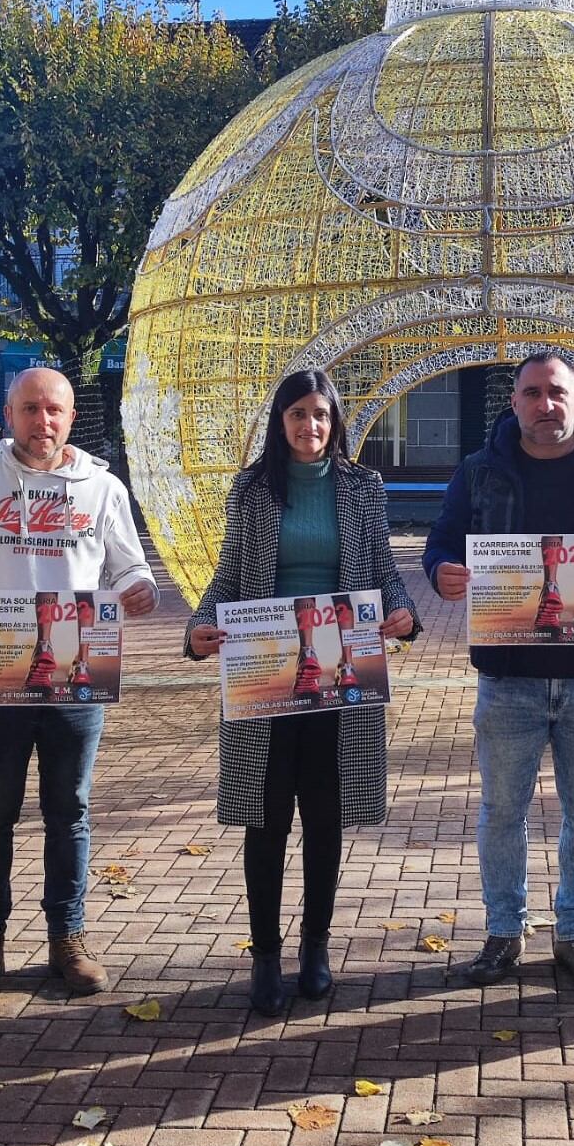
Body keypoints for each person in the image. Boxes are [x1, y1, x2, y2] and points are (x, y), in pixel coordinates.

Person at [0, 367, 159, 1004]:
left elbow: (131, 566)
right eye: (30, 410)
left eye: (54, 411)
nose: (42, 422)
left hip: (77, 676)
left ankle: (67, 941)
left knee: (69, 812)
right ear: (8, 414)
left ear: (71, 418)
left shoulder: (103, 489)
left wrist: (140, 590)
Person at [423, 352, 574, 989]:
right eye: (531, 393)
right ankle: (504, 931)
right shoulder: (479, 472)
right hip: (509, 675)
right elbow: (443, 541)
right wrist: (442, 572)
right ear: (515, 403)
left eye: (555, 393)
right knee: (502, 810)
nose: (544, 405)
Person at [185, 369, 420, 1016]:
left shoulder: (362, 487)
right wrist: (200, 626)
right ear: (279, 419)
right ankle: (265, 954)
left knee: (323, 817)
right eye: (297, 413)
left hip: (340, 672)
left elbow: (381, 570)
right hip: (265, 671)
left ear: (335, 419)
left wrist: (403, 616)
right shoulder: (253, 488)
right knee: (264, 820)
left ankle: (315, 946)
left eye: (320, 414)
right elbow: (229, 574)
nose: (309, 426)